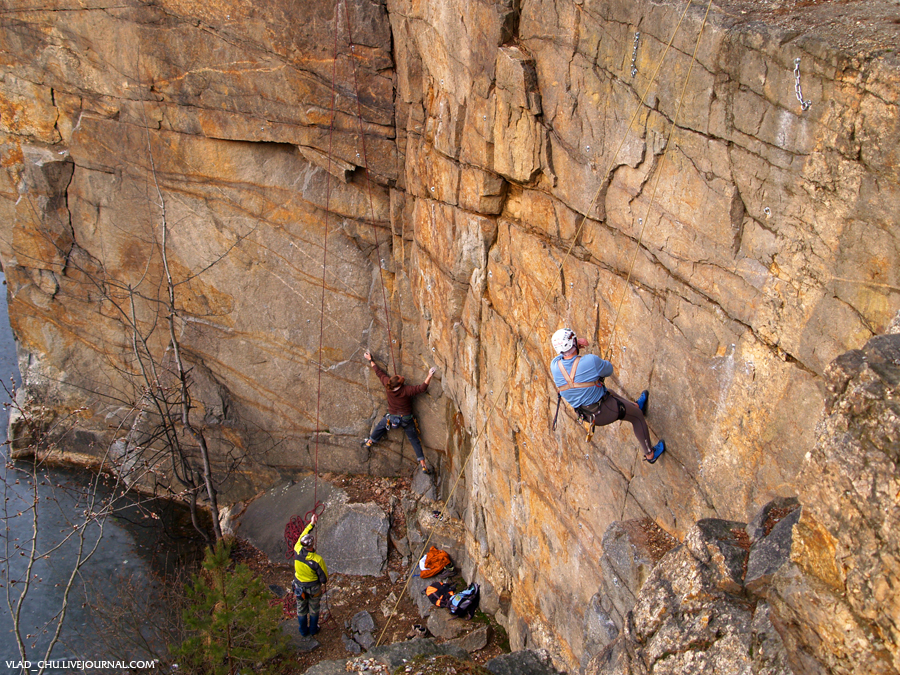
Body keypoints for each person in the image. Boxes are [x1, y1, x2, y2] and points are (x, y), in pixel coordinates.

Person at [549, 328, 665, 463]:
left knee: (609, 392)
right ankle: (650, 454)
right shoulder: (589, 361)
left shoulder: (555, 366)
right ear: (573, 343)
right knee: (637, 417)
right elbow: (608, 370)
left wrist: (574, 346)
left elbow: (563, 356)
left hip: (586, 414)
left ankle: (634, 406)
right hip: (604, 411)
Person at [362, 350, 436, 473]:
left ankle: (370, 441)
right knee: (414, 440)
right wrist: (429, 375)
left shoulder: (387, 384)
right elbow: (422, 388)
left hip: (391, 418)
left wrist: (370, 359)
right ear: (401, 385)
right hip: (406, 419)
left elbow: (378, 372)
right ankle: (423, 464)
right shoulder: (406, 390)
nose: (402, 377)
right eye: (401, 379)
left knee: (380, 426)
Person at [293, 513, 327, 637]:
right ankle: (313, 629)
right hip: (313, 587)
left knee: (301, 609)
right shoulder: (317, 560)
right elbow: (324, 579)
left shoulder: (297, 548)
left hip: (299, 585)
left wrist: (311, 523)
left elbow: (302, 534)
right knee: (314, 609)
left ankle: (303, 631)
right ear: (312, 545)